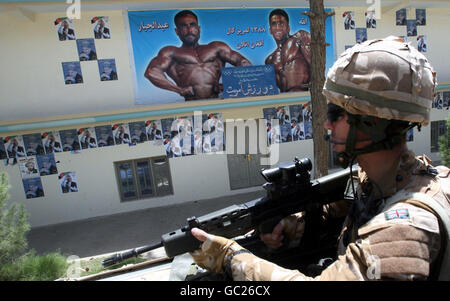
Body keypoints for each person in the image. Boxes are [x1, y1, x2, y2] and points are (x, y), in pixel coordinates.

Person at [189, 37, 450, 281]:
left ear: (373, 122)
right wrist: (291, 224)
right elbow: (335, 207)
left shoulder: (405, 229)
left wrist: (232, 257)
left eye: (337, 113)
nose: (327, 123)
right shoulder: (374, 181)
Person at [144, 10, 251, 101]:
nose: (189, 29)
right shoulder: (171, 52)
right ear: (177, 31)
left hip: (218, 101)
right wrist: (179, 90)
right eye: (184, 26)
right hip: (192, 105)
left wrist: (230, 84)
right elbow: (151, 72)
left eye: (192, 24)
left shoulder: (217, 47)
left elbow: (244, 63)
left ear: (198, 28)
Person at [265, 9, 311, 92]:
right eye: (274, 24)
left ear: (288, 28)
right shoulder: (270, 60)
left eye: (281, 23)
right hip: (285, 101)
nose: (278, 27)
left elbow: (317, 66)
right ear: (270, 30)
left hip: (304, 98)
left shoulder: (300, 38)